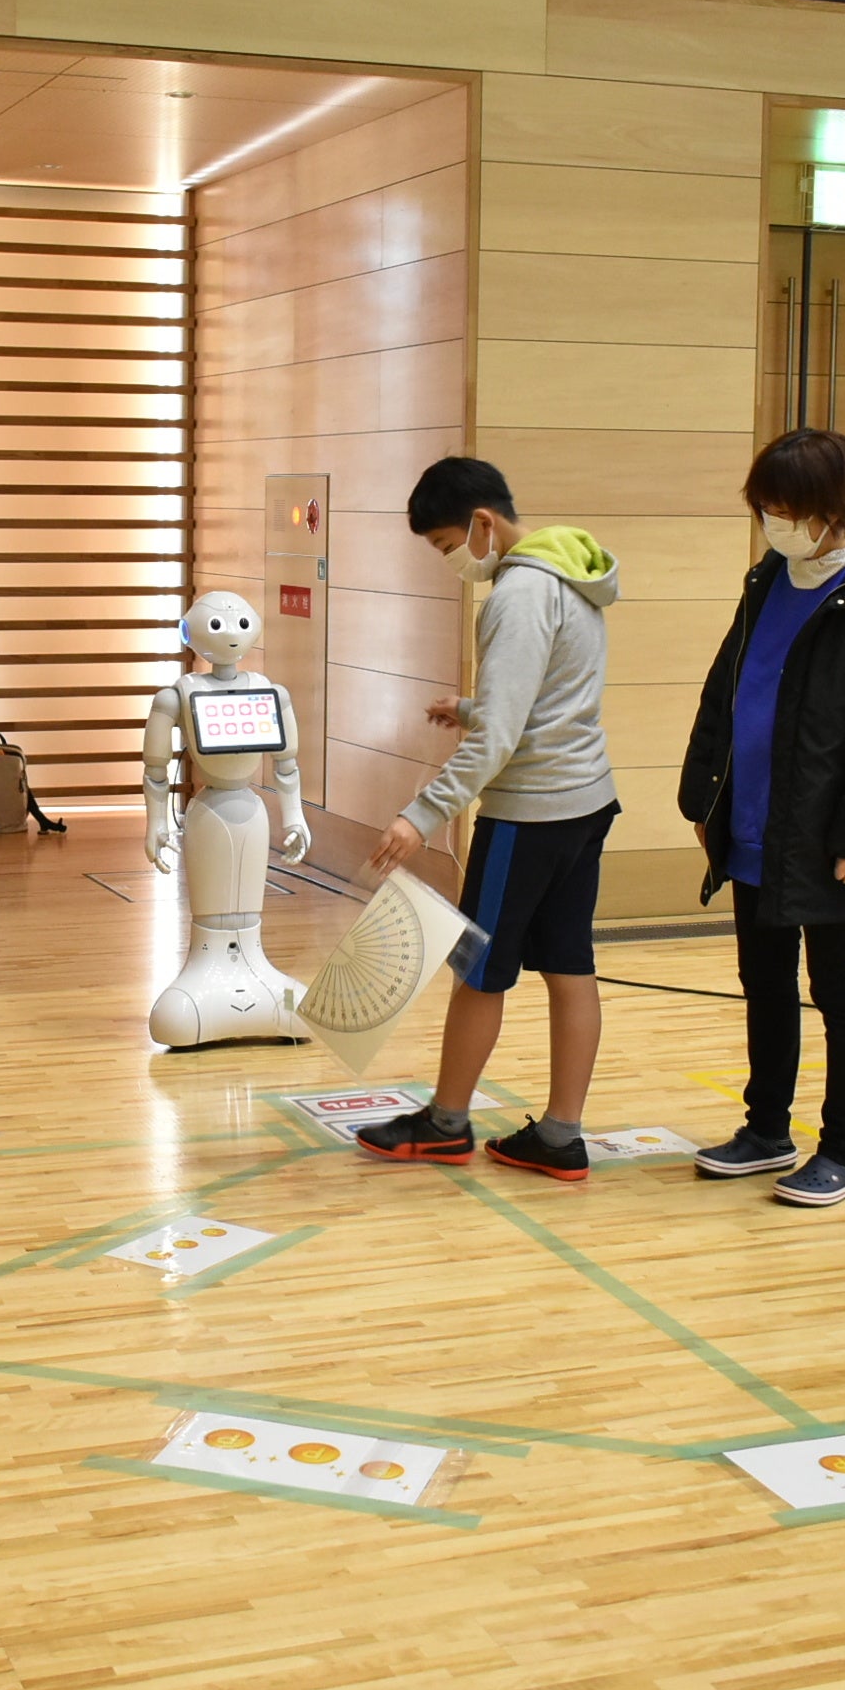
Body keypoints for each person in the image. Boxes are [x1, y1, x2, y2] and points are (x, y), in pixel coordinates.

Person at [676, 428, 845, 1208]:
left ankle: (844, 1149)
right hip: (757, 821)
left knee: (839, 987)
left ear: (831, 508)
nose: (775, 522)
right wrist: (704, 799)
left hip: (832, 839)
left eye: (787, 508)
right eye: (765, 507)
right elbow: (726, 692)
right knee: (763, 981)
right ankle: (766, 1128)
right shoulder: (768, 578)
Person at [353, 458, 621, 1182]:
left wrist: (420, 815)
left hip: (528, 815)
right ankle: (560, 1136)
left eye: (448, 546)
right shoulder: (571, 571)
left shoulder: (519, 593)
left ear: (482, 522)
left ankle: (445, 1124)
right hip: (586, 802)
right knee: (570, 967)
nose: (453, 562)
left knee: (478, 973)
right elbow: (551, 698)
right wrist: (471, 709)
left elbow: (501, 740)